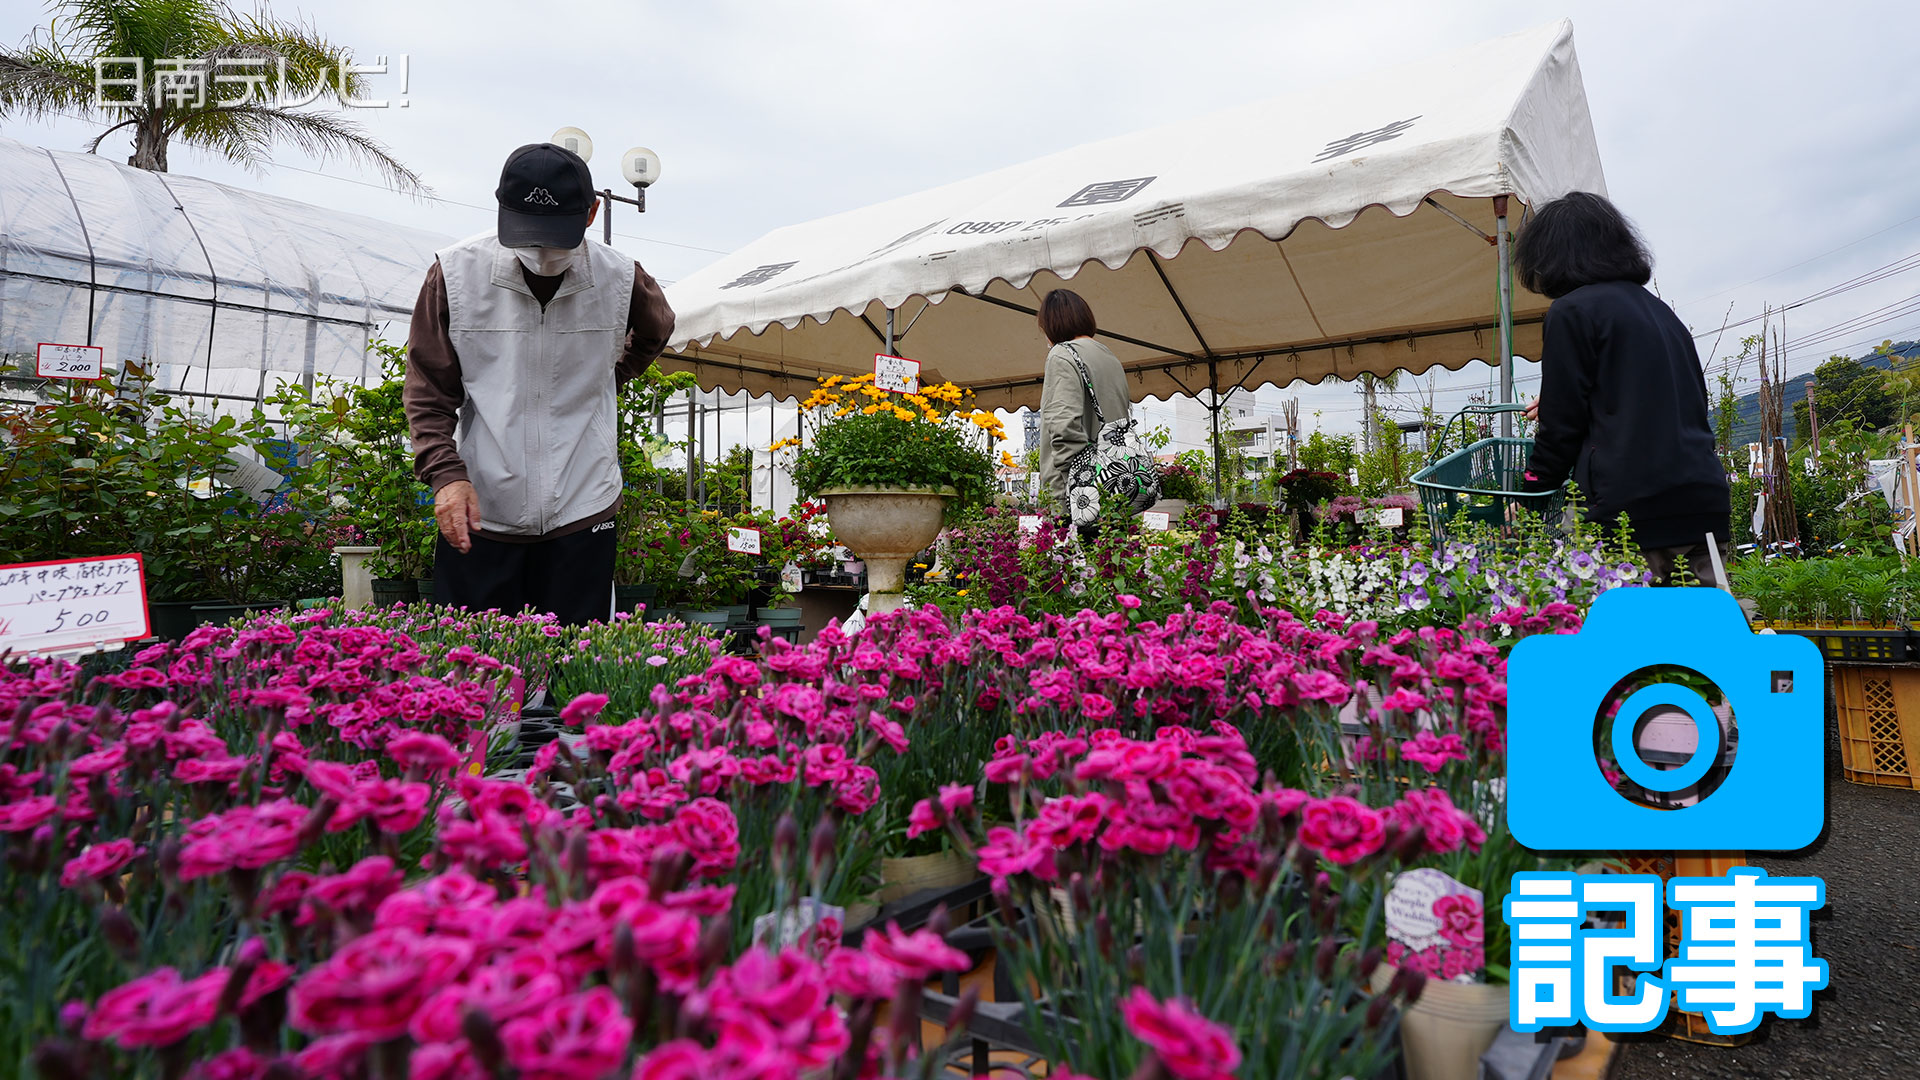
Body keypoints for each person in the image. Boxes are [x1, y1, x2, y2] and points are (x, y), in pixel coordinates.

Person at [405, 142, 675, 624]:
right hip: (482, 507)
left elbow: (657, 330)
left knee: (575, 675)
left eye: (556, 236)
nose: (542, 251)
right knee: (476, 673)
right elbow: (429, 390)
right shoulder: (455, 275)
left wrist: (610, 377)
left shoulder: (621, 279)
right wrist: (446, 475)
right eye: (528, 235)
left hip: (583, 504)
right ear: (501, 207)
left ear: (591, 213)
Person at [1513, 191, 1730, 586]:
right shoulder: (1663, 315)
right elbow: (1659, 399)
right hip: (1702, 502)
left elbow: (1562, 425)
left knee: (1622, 640)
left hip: (1627, 508)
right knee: (1704, 637)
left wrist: (1531, 491)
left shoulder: (1573, 311)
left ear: (1553, 255)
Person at [1035, 288, 1133, 531]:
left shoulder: (1062, 355)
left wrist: (1079, 487)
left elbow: (1064, 426)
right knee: (1108, 564)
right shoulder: (1109, 357)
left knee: (1074, 566)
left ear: (1052, 324)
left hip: (1078, 498)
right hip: (1114, 485)